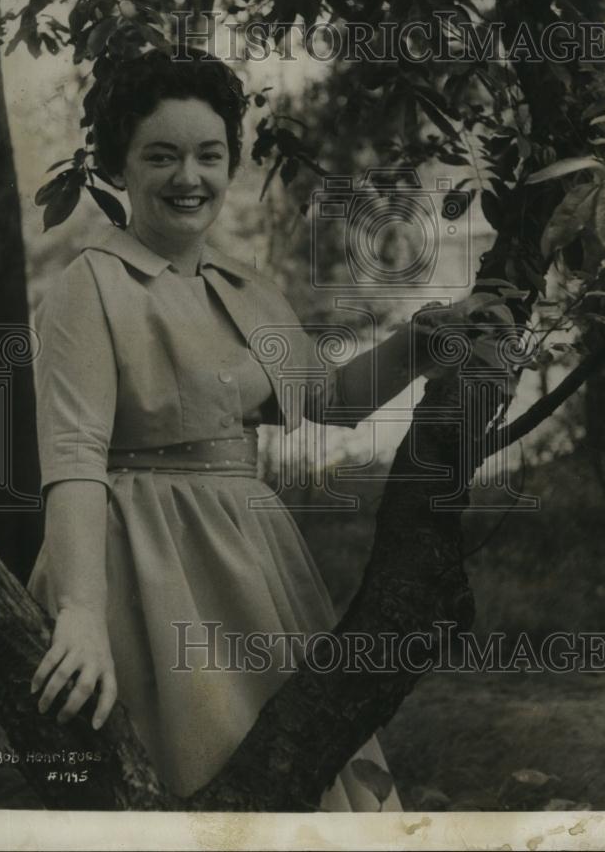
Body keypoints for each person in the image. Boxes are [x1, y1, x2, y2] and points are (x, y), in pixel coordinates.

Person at [27, 48, 456, 810]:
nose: (188, 177)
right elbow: (74, 457)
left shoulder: (246, 289)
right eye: (161, 155)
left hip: (252, 564)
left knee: (294, 766)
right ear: (118, 167)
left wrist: (424, 342)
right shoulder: (88, 287)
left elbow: (329, 398)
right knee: (196, 769)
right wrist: (81, 611)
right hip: (143, 570)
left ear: (230, 162)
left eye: (208, 155)